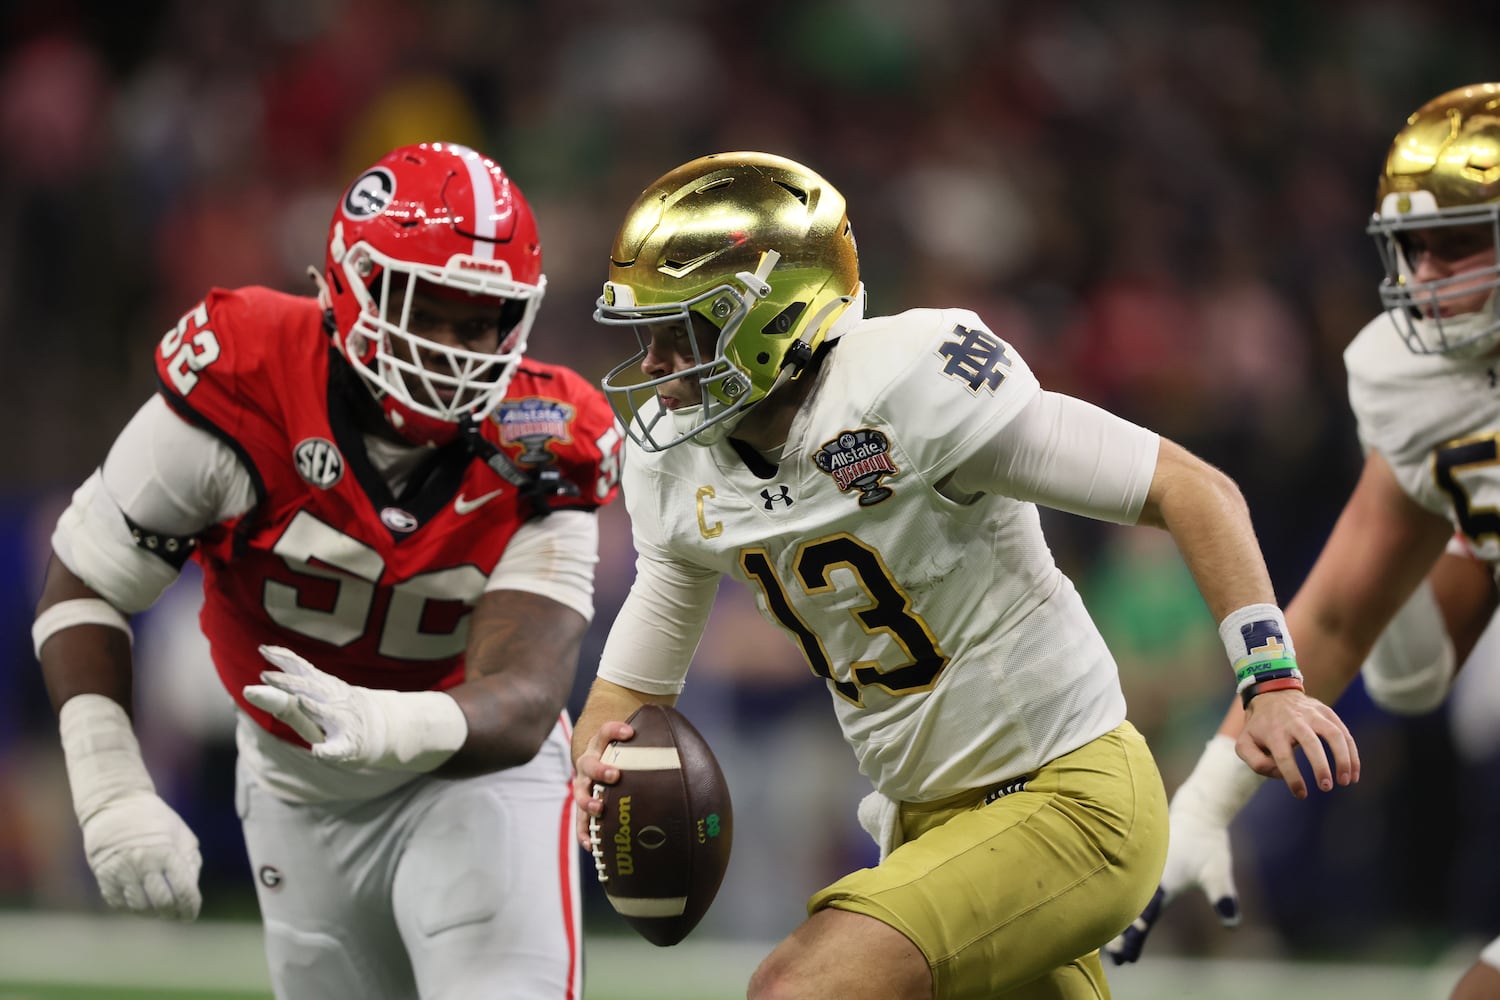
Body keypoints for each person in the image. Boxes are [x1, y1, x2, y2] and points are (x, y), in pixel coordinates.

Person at [568, 150, 1358, 1000]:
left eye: (681, 334)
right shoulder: (677, 465)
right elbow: (632, 688)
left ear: (772, 316)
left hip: (1067, 793)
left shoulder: (909, 383)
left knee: (798, 987)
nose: (656, 366)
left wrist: (1271, 681)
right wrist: (597, 761)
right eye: (647, 336)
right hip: (925, 822)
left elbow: (1193, 489)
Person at [32, 141, 622, 999]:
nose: (453, 349)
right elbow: (86, 582)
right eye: (425, 309)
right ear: (353, 285)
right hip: (295, 785)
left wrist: (381, 722)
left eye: (477, 321)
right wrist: (111, 790)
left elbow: (526, 698)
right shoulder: (245, 370)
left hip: (473, 780)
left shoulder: (547, 434)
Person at [1102, 82, 1500, 1000]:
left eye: (1456, 243)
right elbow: (1340, 615)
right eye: (1413, 247)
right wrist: (1203, 802)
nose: (1426, 278)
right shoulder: (1420, 379)